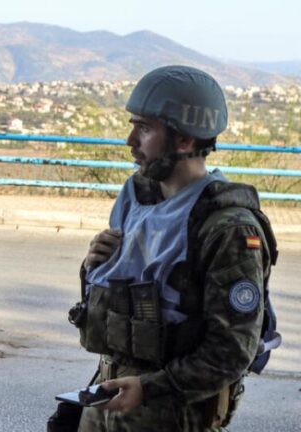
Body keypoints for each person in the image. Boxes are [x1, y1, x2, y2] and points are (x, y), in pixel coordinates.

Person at [74, 65, 278, 431]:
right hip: (108, 396)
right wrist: (93, 266)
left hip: (170, 414)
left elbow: (231, 352)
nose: (130, 141)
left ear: (183, 141)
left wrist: (150, 388)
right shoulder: (138, 197)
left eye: (145, 128)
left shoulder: (227, 227)